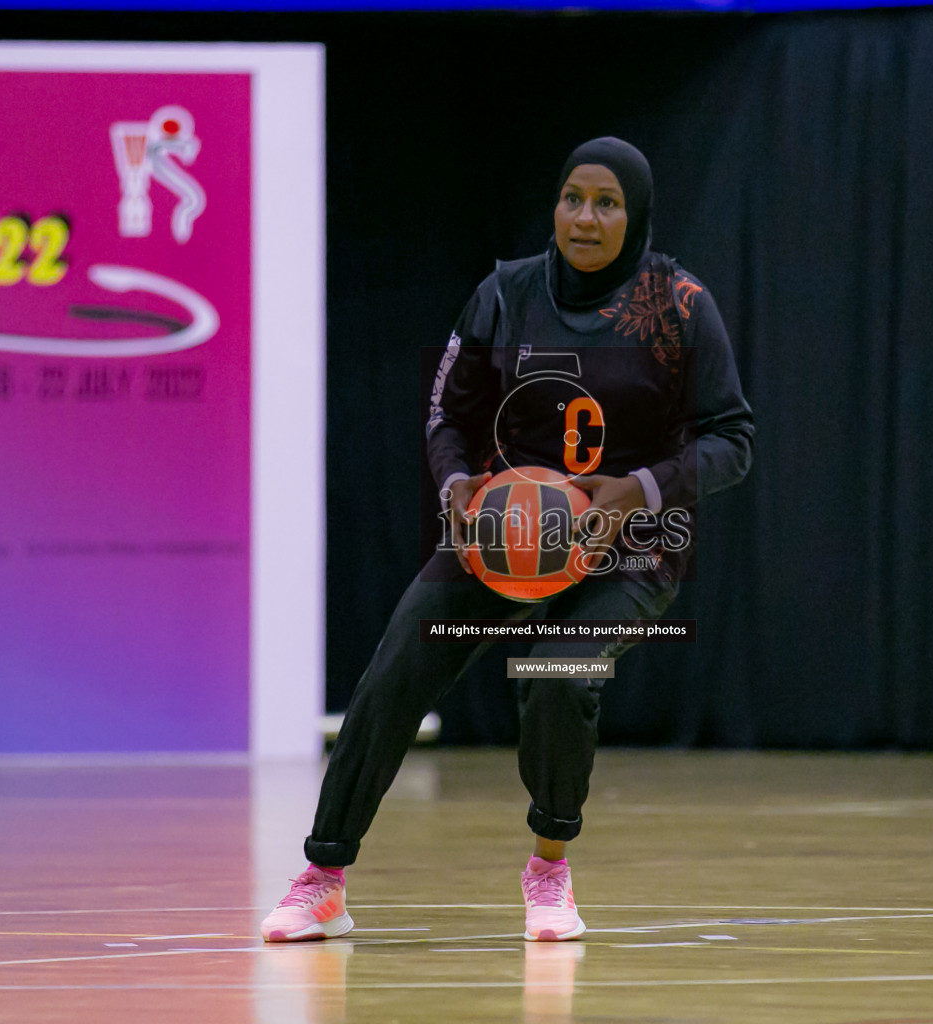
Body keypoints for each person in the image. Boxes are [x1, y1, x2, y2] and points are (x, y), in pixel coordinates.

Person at [260, 137, 753, 943]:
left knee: (559, 678)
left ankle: (549, 869)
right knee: (393, 675)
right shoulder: (506, 293)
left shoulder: (680, 304)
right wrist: (459, 489)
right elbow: (447, 416)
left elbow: (734, 438)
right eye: (572, 197)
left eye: (607, 203)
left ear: (636, 216)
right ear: (554, 204)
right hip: (507, 529)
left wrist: (639, 490)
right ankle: (323, 877)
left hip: (629, 541)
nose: (585, 217)